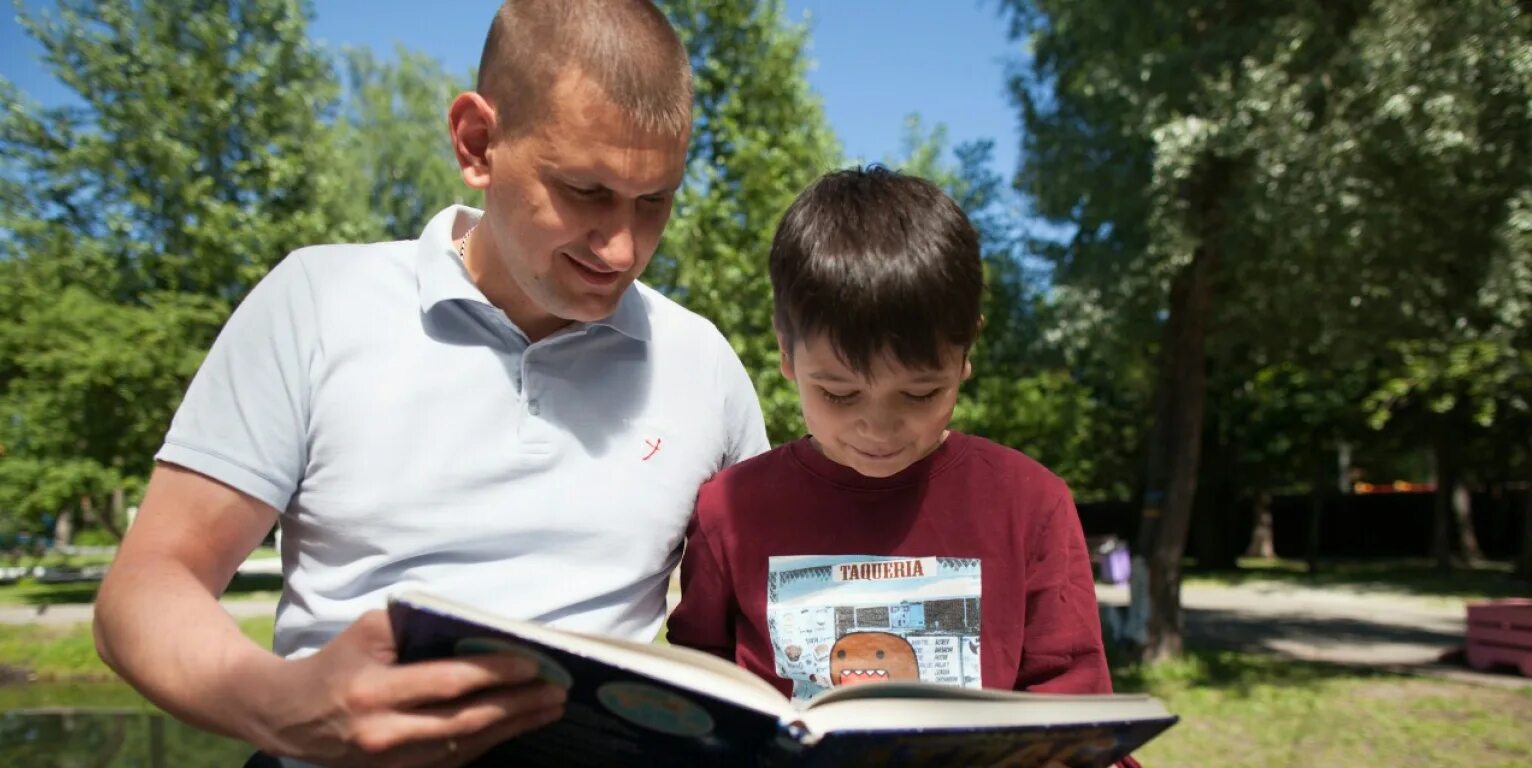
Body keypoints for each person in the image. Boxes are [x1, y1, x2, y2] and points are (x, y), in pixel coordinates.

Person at [92, 2, 768, 766]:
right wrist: (282, 707)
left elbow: (769, 604)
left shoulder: (704, 364)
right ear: (477, 143)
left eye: (655, 202)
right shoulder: (316, 301)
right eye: (587, 191)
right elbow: (146, 586)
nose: (622, 248)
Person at [666, 167, 1140, 766]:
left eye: (918, 394)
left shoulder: (1029, 503)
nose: (878, 428)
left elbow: (1072, 703)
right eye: (838, 393)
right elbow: (698, 695)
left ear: (965, 351)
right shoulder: (730, 509)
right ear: (785, 351)